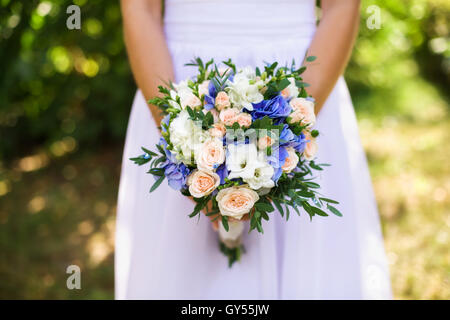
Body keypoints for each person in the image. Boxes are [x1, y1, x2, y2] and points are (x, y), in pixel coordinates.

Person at [116, 0, 392, 299]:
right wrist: (184, 144)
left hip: (303, 79)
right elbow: (140, 8)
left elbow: (341, 6)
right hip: (177, 85)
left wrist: (291, 128)